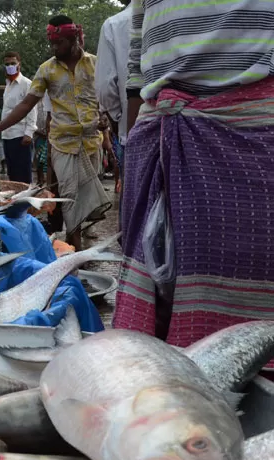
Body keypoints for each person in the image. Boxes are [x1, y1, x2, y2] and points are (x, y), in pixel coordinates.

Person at [113, 0, 274, 350]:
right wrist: (133, 162)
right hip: (157, 134)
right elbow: (137, 68)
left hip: (253, 133)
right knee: (161, 301)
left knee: (251, 328)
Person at [0, 16, 111, 252]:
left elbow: (109, 96)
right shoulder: (46, 69)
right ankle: (75, 248)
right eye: (52, 43)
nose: (54, 47)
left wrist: (107, 118)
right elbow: (25, 105)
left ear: (73, 40)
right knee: (70, 195)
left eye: (59, 42)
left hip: (92, 142)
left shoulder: (96, 64)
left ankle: (77, 241)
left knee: (86, 196)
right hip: (63, 144)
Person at [95, 0, 132, 197]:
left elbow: (105, 89)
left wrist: (119, 119)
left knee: (135, 199)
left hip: (132, 130)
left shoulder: (114, 25)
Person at [0, 52, 37, 184]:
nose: (10, 66)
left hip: (21, 136)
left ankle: (26, 203)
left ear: (19, 65)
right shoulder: (8, 86)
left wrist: (29, 132)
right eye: (7, 64)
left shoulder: (26, 84)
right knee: (13, 175)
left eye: (13, 63)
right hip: (7, 135)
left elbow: (32, 109)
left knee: (24, 177)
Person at [33, 93, 52, 186]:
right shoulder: (35, 105)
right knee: (39, 158)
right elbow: (32, 123)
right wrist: (40, 132)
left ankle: (46, 180)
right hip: (39, 136)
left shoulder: (49, 104)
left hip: (50, 135)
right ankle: (40, 180)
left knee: (47, 159)